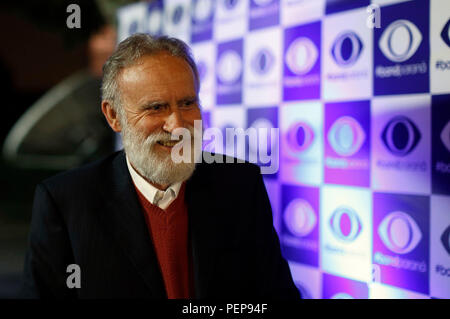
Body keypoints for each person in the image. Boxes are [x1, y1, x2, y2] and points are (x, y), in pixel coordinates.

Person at [19, 34, 300, 299]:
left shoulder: (240, 185)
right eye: (156, 107)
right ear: (114, 116)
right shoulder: (65, 202)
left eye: (188, 103)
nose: (177, 125)